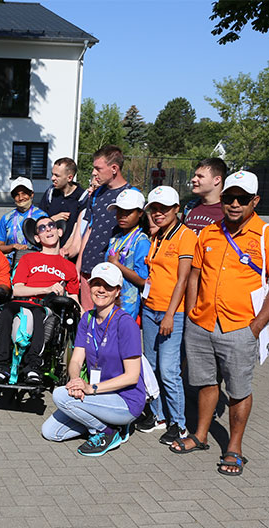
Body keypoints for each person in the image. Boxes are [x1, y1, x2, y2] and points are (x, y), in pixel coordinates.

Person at [171, 171, 269, 477]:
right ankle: (200, 436)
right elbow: (196, 275)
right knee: (206, 382)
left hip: (240, 327)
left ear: (255, 201)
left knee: (238, 389)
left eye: (242, 199)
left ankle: (234, 447)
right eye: (228, 198)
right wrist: (194, 312)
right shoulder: (209, 233)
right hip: (202, 323)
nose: (234, 204)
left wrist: (256, 326)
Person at [41, 262, 145, 457]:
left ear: (117, 291)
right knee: (51, 432)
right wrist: (75, 381)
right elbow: (76, 361)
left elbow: (132, 376)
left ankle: (111, 431)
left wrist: (91, 388)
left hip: (125, 401)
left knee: (60, 396)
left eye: (108, 286)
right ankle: (102, 425)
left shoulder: (125, 323)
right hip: (97, 395)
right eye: (96, 283)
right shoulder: (87, 318)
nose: (101, 290)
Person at [0, 216, 79, 385]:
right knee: (5, 312)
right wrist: (47, 289)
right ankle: (1, 366)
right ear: (37, 238)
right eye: (42, 228)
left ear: (59, 231)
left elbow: (74, 298)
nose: (48, 229)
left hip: (46, 307)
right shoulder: (28, 259)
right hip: (21, 301)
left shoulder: (69, 267)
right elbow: (17, 289)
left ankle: (33, 366)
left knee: (37, 313)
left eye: (51, 225)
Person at [138, 186, 196, 443]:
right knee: (150, 367)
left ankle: (179, 423)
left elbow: (183, 280)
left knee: (168, 370)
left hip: (172, 311)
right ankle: (158, 416)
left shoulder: (185, 236)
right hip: (149, 307)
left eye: (164, 208)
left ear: (177, 210)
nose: (158, 213)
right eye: (154, 208)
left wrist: (171, 314)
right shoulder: (158, 236)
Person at [77, 145, 133, 312]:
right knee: (88, 318)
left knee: (110, 323)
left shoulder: (130, 195)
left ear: (114, 168)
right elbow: (89, 229)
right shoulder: (95, 194)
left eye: (98, 168)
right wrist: (79, 263)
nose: (94, 173)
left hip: (113, 272)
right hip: (88, 268)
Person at [104, 189, 151, 321]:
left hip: (127, 306)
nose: (122, 216)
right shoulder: (116, 238)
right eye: (119, 211)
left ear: (140, 213)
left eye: (128, 212)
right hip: (109, 301)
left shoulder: (141, 241)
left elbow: (143, 280)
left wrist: (117, 264)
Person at [0, 176, 48, 268]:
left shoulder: (42, 216)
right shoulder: (7, 218)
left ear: (32, 194)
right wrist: (13, 246)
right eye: (16, 194)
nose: (20, 198)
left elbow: (48, 243)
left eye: (24, 193)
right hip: (11, 264)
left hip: (35, 264)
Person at [39, 158, 84, 248]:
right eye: (52, 174)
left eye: (57, 175)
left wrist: (66, 250)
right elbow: (38, 222)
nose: (52, 178)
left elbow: (80, 230)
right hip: (48, 251)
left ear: (69, 178)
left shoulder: (82, 197)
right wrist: (53, 219)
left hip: (70, 254)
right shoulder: (50, 193)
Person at [183, 158, 228, 234]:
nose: (193, 179)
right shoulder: (189, 207)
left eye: (200, 176)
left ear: (217, 180)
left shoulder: (229, 210)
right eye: (195, 175)